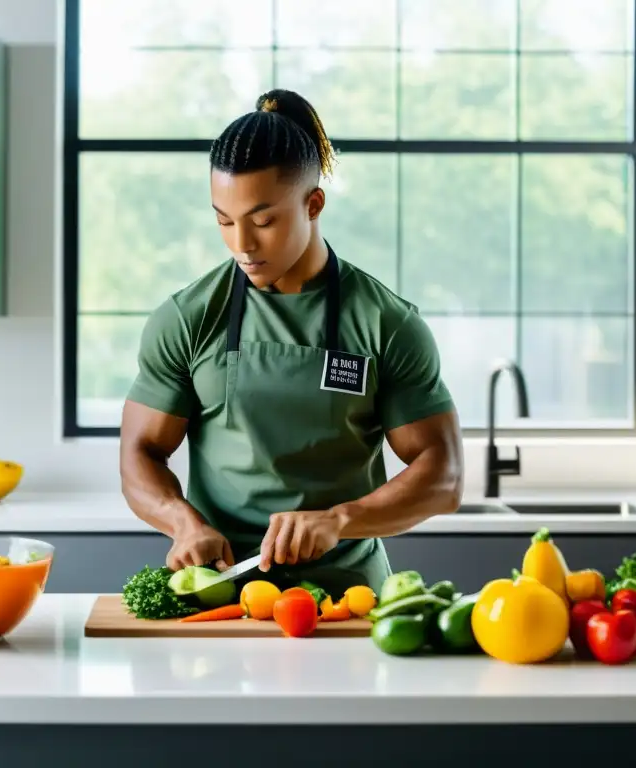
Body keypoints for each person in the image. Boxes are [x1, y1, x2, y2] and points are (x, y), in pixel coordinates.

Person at [120, 88, 463, 595]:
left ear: (314, 202)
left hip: (349, 603)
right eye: (224, 221)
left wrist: (341, 520)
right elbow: (140, 451)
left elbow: (444, 476)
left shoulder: (387, 324)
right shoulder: (187, 318)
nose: (243, 245)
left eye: (263, 221)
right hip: (223, 598)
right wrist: (182, 521)